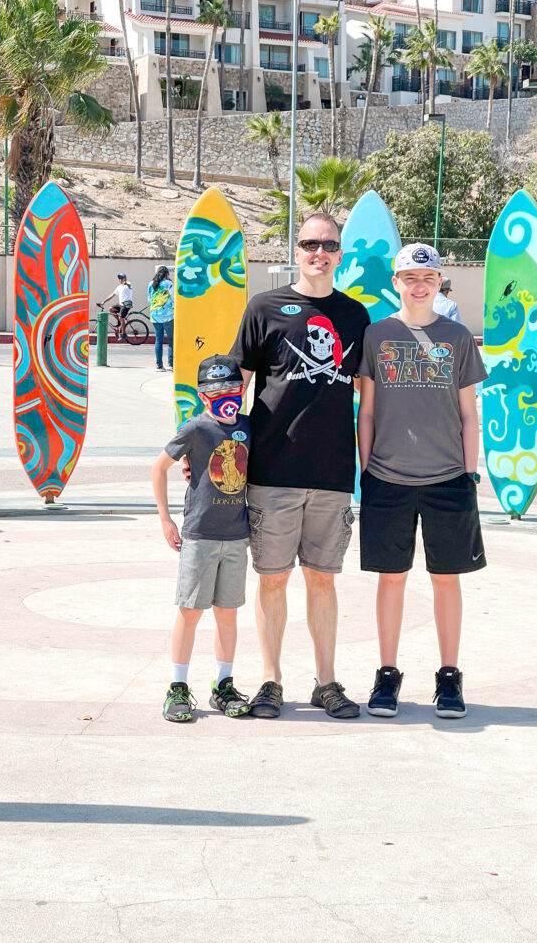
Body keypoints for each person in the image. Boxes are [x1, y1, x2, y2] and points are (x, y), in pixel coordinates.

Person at [230, 213, 370, 719]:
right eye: (310, 243)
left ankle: (326, 682)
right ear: (297, 248)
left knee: (323, 579)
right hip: (272, 470)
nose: (319, 252)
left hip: (333, 472)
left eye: (329, 244)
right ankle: (270, 680)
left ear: (340, 252)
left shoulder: (356, 317)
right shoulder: (264, 308)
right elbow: (234, 385)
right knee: (271, 579)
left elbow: (370, 399)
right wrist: (215, 450)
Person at [357, 242, 488, 719]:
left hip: (448, 478)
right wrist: (368, 470)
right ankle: (387, 675)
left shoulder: (457, 337)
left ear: (439, 284)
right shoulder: (377, 336)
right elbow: (366, 411)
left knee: (446, 579)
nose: (418, 286)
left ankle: (449, 676)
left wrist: (469, 472)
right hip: (387, 478)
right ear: (396, 282)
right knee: (391, 579)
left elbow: (468, 413)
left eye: (428, 278)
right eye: (409, 277)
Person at [152, 355, 252, 722]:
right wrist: (166, 520)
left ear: (242, 390)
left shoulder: (247, 426)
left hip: (236, 536)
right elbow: (158, 468)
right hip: (199, 535)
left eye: (232, 388)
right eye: (216, 390)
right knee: (190, 611)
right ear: (202, 394)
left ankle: (223, 684)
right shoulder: (195, 428)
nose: (226, 396)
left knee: (228, 613)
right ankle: (177, 687)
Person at [148, 265, 174, 371]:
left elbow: (149, 300)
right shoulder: (169, 284)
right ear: (166, 274)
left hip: (155, 315)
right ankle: (170, 364)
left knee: (158, 340)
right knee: (171, 339)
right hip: (167, 315)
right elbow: (173, 298)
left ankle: (159, 365)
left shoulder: (151, 284)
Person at [100, 272, 133, 340]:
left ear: (125, 278)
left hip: (127, 304)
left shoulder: (129, 284)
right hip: (121, 304)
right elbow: (112, 295)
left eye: (122, 278)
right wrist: (104, 301)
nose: (120, 279)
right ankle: (121, 322)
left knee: (121, 318)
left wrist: (126, 283)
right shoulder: (119, 287)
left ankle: (123, 334)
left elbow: (130, 287)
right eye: (119, 278)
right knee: (111, 309)